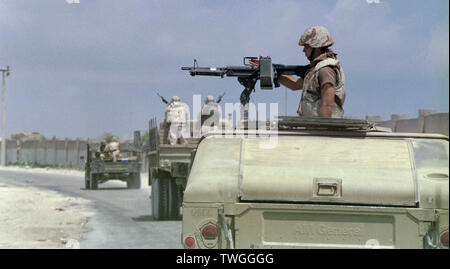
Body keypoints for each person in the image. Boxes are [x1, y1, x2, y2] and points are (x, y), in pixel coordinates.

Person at [251, 26, 346, 118]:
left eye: (306, 46)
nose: (303, 50)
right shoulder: (316, 70)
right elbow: (295, 84)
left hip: (321, 129)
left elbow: (327, 105)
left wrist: (324, 130)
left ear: (316, 47)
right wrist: (270, 71)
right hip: (314, 127)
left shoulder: (326, 70)